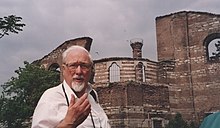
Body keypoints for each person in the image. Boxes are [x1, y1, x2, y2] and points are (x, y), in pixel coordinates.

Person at [31, 45, 111, 128]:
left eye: (84, 66)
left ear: (91, 70)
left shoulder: (92, 95)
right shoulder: (51, 98)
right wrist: (69, 123)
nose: (79, 71)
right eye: (73, 65)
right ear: (63, 69)